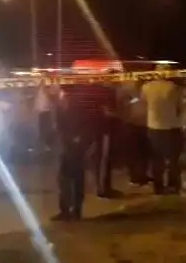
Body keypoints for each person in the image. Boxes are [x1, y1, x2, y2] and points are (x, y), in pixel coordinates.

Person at [53, 83, 117, 220]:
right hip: (66, 146)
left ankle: (75, 210)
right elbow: (59, 127)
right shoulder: (61, 107)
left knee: (75, 179)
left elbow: (86, 127)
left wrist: (81, 141)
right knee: (65, 179)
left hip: (75, 147)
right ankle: (66, 209)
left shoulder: (77, 107)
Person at [141, 65, 184, 195]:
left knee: (157, 159)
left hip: (153, 127)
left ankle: (158, 186)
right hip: (172, 126)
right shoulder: (173, 88)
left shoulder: (146, 87)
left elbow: (143, 104)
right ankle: (173, 185)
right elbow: (180, 106)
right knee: (173, 159)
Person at [117, 79, 151, 186]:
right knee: (134, 153)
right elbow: (123, 106)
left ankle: (142, 175)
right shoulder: (128, 92)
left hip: (144, 124)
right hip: (132, 124)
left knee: (144, 152)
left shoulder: (145, 91)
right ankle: (134, 177)